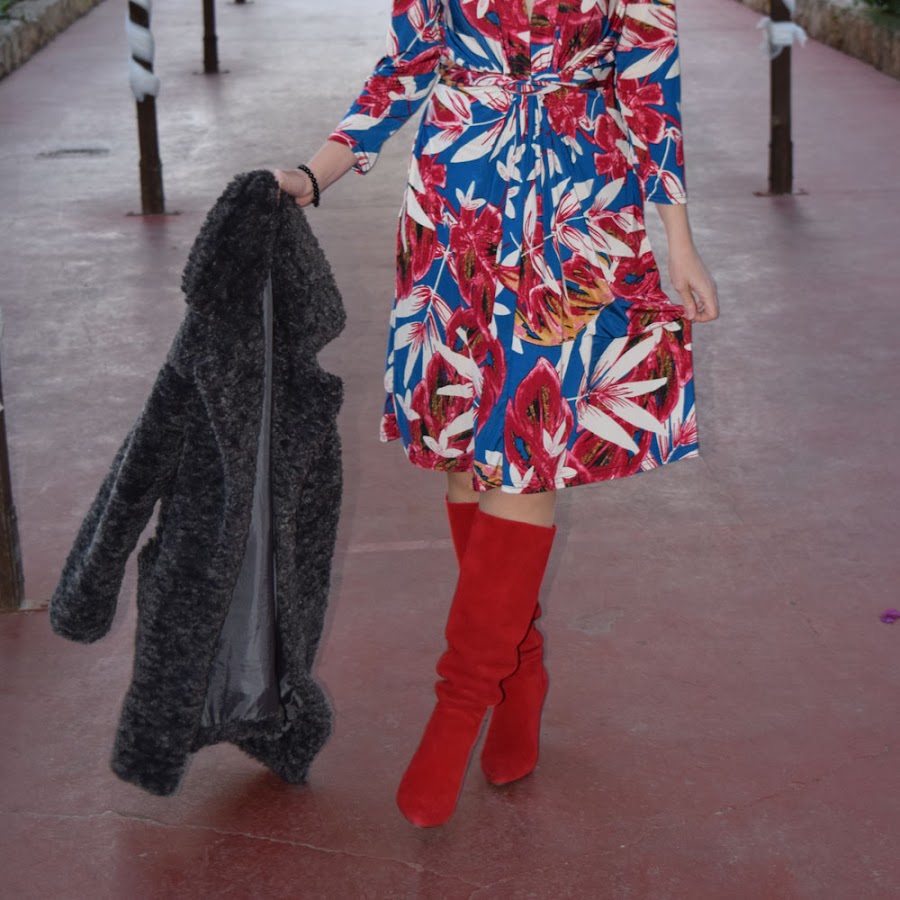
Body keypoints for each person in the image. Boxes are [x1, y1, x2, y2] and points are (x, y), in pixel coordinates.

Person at [275, 0, 718, 828]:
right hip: (457, 198)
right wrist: (311, 175)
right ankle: (519, 666)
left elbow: (650, 89)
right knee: (464, 451)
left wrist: (679, 241)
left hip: (577, 208)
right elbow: (405, 65)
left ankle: (462, 700)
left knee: (527, 449)